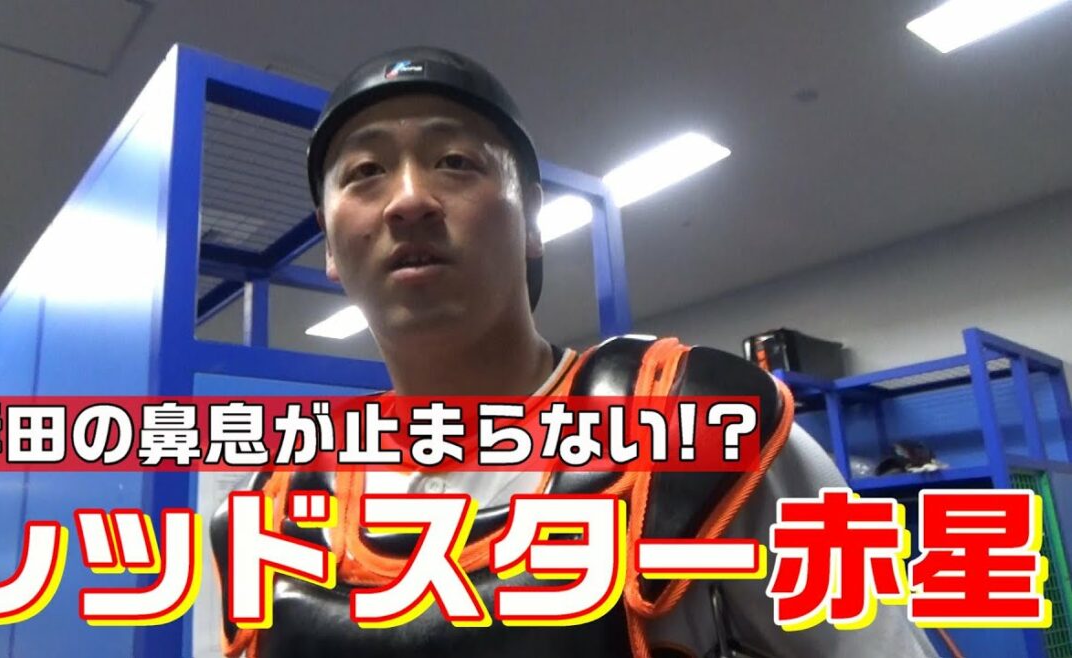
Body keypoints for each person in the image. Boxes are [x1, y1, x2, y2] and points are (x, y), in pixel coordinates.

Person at [211, 46, 940, 658]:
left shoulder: (700, 425)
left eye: (455, 161)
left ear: (532, 220)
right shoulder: (276, 501)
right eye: (365, 172)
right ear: (329, 244)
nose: (408, 200)